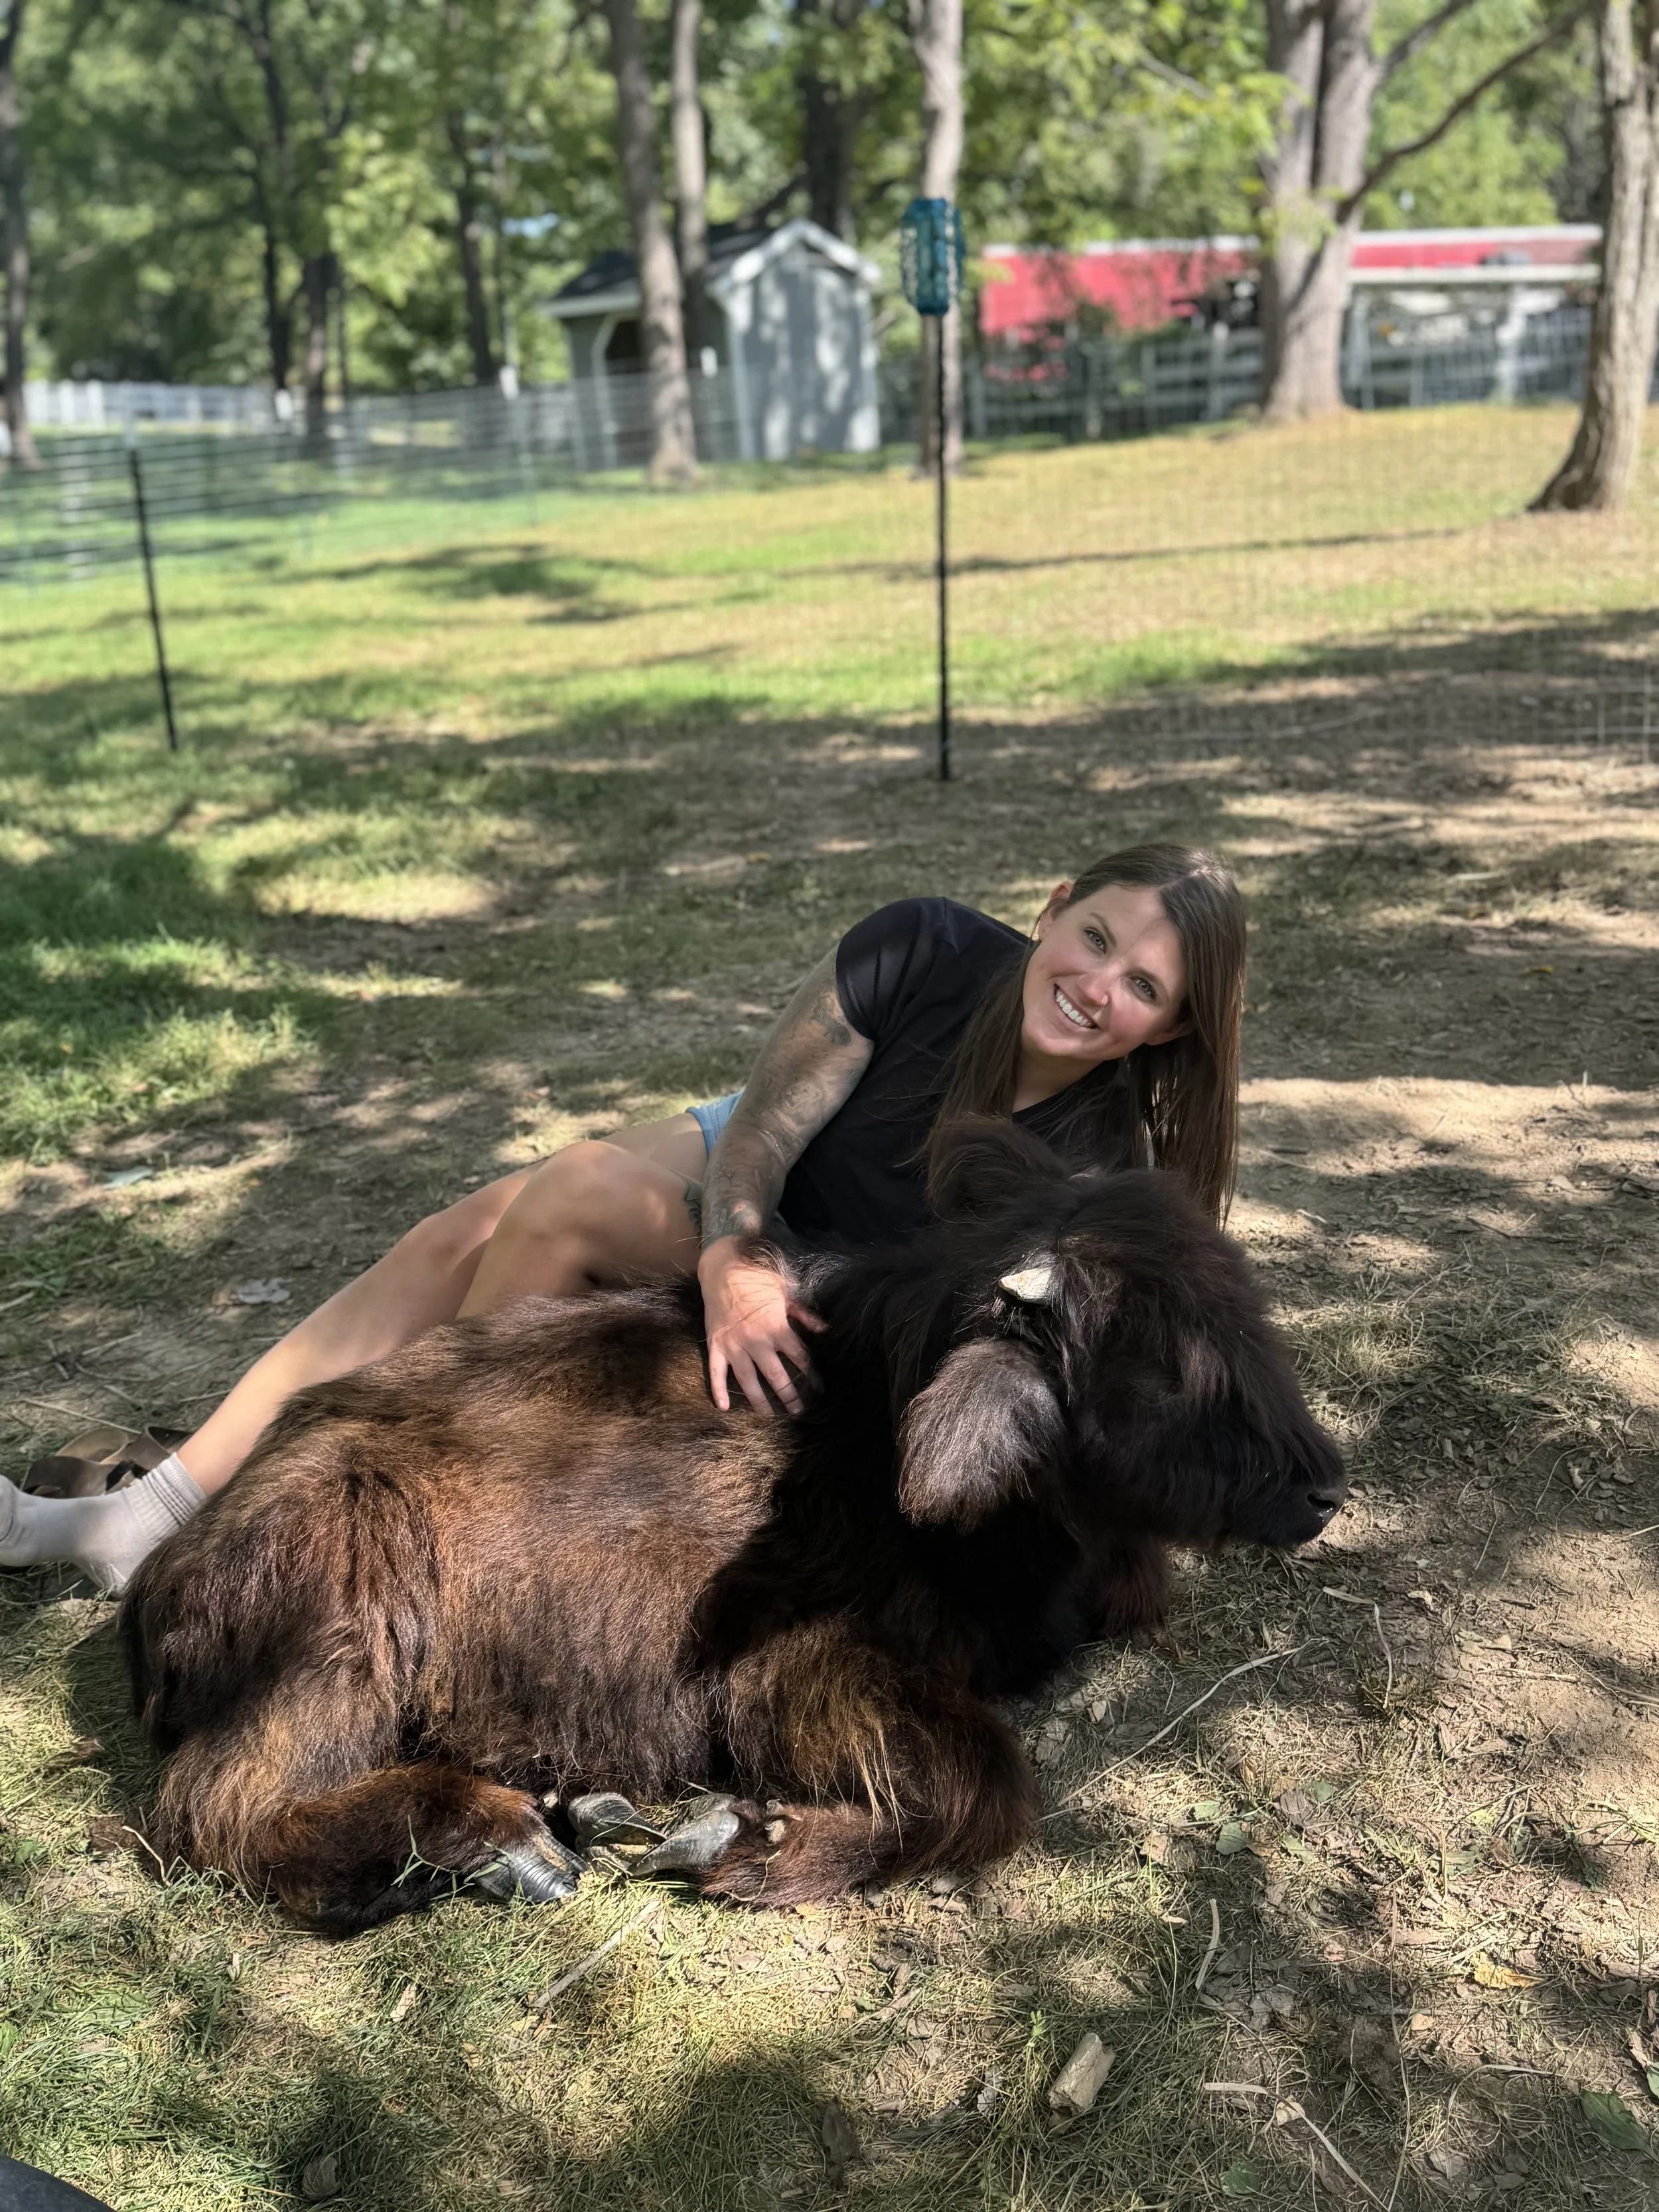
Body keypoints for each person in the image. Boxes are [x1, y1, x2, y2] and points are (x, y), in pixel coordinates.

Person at [0, 842, 1245, 1593]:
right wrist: (730, 1248)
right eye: (1093, 938)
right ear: (1057, 902)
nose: (1096, 988)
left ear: (1174, 1029)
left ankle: (412, 1496)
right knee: (466, 1234)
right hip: (765, 1171)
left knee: (578, 1198)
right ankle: (150, 1516)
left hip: (852, 1279)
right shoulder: (922, 946)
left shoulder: (1095, 1173)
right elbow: (763, 1120)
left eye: (1143, 988)